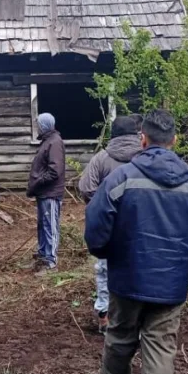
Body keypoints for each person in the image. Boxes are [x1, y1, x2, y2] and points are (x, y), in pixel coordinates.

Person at [83, 109, 188, 374]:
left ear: (142, 138)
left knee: (119, 338)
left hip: (127, 279)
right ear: (174, 140)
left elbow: (96, 231)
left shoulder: (120, 179)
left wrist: (111, 257)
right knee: (160, 348)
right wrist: (181, 268)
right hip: (171, 285)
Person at [77, 116, 143, 332]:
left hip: (110, 225)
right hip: (142, 224)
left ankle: (104, 317)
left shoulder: (101, 159)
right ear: (136, 133)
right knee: (138, 267)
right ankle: (136, 316)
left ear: (112, 134)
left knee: (106, 270)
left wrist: (103, 204)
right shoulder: (146, 157)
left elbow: (86, 187)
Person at [26, 112, 65, 275]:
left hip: (50, 193)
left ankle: (51, 261)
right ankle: (43, 256)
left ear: (45, 125)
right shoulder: (47, 141)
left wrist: (38, 181)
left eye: (39, 124)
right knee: (43, 225)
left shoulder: (54, 142)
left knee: (50, 226)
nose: (37, 127)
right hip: (43, 193)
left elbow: (55, 171)